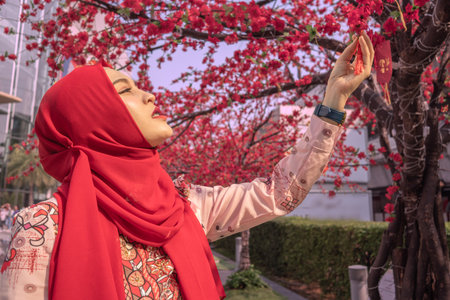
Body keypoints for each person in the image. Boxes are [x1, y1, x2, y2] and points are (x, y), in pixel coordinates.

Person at [0, 32, 374, 299]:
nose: (149, 94)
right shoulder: (44, 227)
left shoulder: (184, 208)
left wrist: (333, 101)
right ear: (92, 120)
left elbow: (280, 193)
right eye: (126, 90)